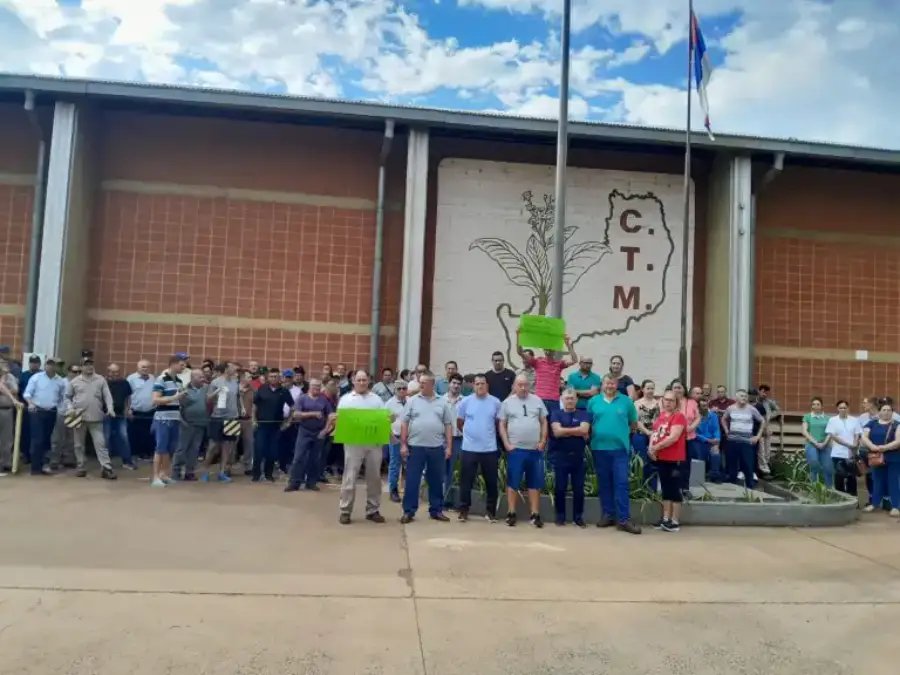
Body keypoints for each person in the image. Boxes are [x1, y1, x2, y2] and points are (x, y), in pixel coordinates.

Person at [587, 375, 641, 534]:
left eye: (612, 383)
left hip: (619, 450)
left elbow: (633, 423)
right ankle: (608, 515)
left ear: (617, 385)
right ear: (602, 385)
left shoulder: (626, 401)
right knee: (604, 483)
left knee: (621, 483)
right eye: (606, 383)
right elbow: (588, 423)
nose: (609, 385)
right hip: (599, 448)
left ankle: (623, 519)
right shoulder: (593, 401)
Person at [400, 372, 454, 523]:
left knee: (436, 480)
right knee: (412, 480)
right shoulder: (412, 401)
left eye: (424, 383)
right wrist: (403, 444)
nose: (420, 385)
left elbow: (448, 425)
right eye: (420, 382)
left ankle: (436, 510)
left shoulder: (442, 402)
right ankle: (409, 511)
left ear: (432, 384)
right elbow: (404, 422)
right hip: (415, 447)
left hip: (436, 447)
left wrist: (449, 447)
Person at [336, 370, 387, 525]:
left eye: (364, 380)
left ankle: (373, 510)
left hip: (373, 443)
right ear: (353, 381)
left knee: (374, 477)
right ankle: (345, 511)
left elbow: (382, 420)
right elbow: (340, 421)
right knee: (350, 476)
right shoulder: (346, 400)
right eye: (359, 380)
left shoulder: (377, 400)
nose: (362, 382)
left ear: (369, 381)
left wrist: (388, 419)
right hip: (353, 443)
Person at [499, 374, 548, 527]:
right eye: (519, 385)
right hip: (516, 450)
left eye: (525, 385)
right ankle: (511, 513)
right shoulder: (507, 402)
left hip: (534, 449)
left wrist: (542, 441)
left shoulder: (537, 400)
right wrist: (507, 444)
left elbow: (544, 421)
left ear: (529, 385)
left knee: (535, 483)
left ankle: (535, 514)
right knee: (513, 481)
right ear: (514, 386)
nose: (523, 388)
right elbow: (502, 424)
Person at [456, 374, 502, 522]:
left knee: (491, 482)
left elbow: (497, 423)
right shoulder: (465, 402)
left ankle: (490, 512)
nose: (480, 386)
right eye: (477, 384)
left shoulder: (495, 402)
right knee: (466, 481)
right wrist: (471, 435)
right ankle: (463, 510)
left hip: (489, 449)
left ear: (487, 385)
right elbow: (460, 422)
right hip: (469, 448)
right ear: (473, 385)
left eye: (482, 383)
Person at [64, 358, 117, 479]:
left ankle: (106, 468)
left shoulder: (100, 379)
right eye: (86, 365)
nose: (89, 367)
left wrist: (110, 408)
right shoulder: (75, 381)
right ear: (81, 367)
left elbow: (107, 395)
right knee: (78, 444)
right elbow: (67, 397)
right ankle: (81, 466)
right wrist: (70, 407)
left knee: (100, 443)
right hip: (78, 417)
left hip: (96, 417)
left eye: (91, 364)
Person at [285, 378, 335, 492]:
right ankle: (294, 483)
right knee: (298, 458)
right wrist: (312, 414)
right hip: (304, 431)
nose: (316, 388)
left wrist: (325, 430)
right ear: (309, 387)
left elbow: (331, 416)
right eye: (314, 386)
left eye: (318, 386)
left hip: (319, 433)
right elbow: (296, 414)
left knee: (315, 458)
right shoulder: (302, 398)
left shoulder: (324, 400)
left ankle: (311, 483)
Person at [549, 389, 590, 527]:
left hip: (578, 458)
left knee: (578, 489)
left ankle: (578, 517)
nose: (570, 400)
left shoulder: (583, 413)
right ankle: (560, 517)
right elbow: (556, 432)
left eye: (572, 398)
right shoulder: (556, 413)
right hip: (560, 457)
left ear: (576, 400)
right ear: (562, 399)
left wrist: (565, 430)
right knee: (560, 488)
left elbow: (584, 430)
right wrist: (576, 431)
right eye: (567, 398)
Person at [649, 390, 687, 532]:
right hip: (662, 458)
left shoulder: (679, 417)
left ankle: (675, 521)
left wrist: (655, 448)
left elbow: (673, 437)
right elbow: (654, 435)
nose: (668, 402)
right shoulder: (660, 418)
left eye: (671, 400)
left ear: (676, 402)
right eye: (666, 400)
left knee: (675, 489)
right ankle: (665, 519)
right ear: (662, 401)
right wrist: (650, 449)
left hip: (675, 459)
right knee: (665, 489)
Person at [516, 331, 577, 415]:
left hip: (554, 400)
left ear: (554, 350)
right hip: (540, 399)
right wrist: (518, 335)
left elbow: (574, 360)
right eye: (546, 349)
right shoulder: (537, 361)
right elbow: (520, 352)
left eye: (550, 349)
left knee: (553, 425)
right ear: (544, 350)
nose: (548, 351)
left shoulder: (559, 364)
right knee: (540, 425)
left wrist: (568, 344)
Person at [23, 358, 66, 476]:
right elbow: (27, 393)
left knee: (47, 439)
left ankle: (42, 465)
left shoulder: (60, 381)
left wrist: (62, 408)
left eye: (54, 365)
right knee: (38, 439)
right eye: (49, 364)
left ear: (57, 367)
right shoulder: (36, 378)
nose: (51, 367)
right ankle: (35, 468)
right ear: (45, 365)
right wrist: (30, 403)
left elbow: (62, 397)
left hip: (51, 412)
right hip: (37, 411)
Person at [150, 355, 187, 487]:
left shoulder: (179, 381)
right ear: (173, 364)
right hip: (163, 418)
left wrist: (181, 398)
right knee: (160, 448)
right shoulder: (161, 379)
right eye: (181, 365)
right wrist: (175, 397)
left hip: (175, 417)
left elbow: (178, 400)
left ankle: (164, 474)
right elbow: (155, 399)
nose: (184, 367)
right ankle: (155, 477)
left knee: (170, 448)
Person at [252, 369, 294, 483]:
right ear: (268, 377)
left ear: (279, 378)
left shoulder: (284, 391)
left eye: (275, 376)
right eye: (271, 376)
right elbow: (255, 406)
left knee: (272, 451)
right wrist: (253, 420)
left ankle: (268, 474)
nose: (273, 378)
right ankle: (256, 475)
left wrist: (288, 422)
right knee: (259, 450)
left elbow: (293, 407)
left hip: (276, 427)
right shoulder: (262, 389)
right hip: (261, 425)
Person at [202, 362, 240, 483]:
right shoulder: (216, 382)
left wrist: (240, 410)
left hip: (232, 418)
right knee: (213, 446)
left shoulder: (235, 382)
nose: (234, 369)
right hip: (218, 417)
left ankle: (222, 472)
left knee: (227, 447)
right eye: (232, 367)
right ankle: (205, 472)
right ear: (226, 369)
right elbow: (208, 399)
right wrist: (216, 391)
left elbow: (237, 398)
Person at [861, 398, 900, 515]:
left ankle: (895, 506)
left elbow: (899, 440)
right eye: (884, 410)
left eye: (889, 410)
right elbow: (864, 437)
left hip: (893, 457)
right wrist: (872, 446)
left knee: (893, 481)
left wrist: (885, 447)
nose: (887, 412)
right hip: (876, 457)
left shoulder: (897, 425)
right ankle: (874, 504)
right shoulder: (871, 423)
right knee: (877, 480)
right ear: (879, 412)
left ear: (892, 412)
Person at [723, 390, 765, 490]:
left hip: (747, 442)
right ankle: (732, 485)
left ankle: (750, 486)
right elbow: (723, 419)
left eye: (745, 396)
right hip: (732, 441)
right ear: (736, 397)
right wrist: (726, 430)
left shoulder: (752, 409)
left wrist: (758, 436)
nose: (744, 398)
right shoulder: (730, 408)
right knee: (732, 464)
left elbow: (762, 421)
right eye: (742, 396)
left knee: (747, 464)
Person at [172, 368, 209, 481]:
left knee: (194, 450)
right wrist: (182, 421)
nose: (203, 379)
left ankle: (189, 472)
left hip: (200, 424)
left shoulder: (205, 389)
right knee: (182, 449)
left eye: (203, 377)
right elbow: (178, 407)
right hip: (187, 424)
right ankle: (176, 472)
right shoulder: (184, 390)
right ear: (192, 378)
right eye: (200, 377)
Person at [826, 400, 861, 497]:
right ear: (837, 409)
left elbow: (857, 434)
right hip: (838, 453)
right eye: (841, 408)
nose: (843, 409)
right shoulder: (832, 420)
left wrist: (854, 446)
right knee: (839, 477)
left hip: (851, 453)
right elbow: (833, 436)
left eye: (845, 407)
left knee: (852, 477)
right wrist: (848, 445)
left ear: (848, 408)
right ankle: (840, 498)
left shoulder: (854, 420)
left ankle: (853, 499)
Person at [104, 363, 135, 470]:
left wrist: (128, 409)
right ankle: (106, 462)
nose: (115, 374)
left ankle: (127, 461)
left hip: (120, 414)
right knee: (106, 438)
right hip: (106, 414)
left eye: (117, 371)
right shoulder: (103, 383)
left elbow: (128, 398)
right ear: (108, 372)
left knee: (123, 437)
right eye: (112, 372)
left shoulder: (124, 383)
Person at [671, 380, 700, 495]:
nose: (677, 390)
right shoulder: (668, 401)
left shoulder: (692, 402)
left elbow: (698, 417)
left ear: (684, 389)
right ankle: (673, 487)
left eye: (680, 387)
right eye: (675, 387)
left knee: (686, 464)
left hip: (688, 437)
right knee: (673, 464)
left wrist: (691, 427)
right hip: (673, 438)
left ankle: (685, 487)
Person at [442, 373, 465, 508]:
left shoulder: (465, 401)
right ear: (449, 384)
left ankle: (458, 501)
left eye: (458, 384)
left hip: (460, 439)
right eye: (454, 383)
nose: (456, 386)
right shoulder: (441, 400)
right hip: (444, 439)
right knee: (445, 471)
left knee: (460, 470)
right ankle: (445, 500)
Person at [127, 360, 157, 460]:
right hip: (136, 411)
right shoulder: (131, 379)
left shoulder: (153, 378)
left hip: (150, 411)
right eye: (143, 367)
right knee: (138, 434)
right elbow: (127, 395)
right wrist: (128, 409)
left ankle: (148, 453)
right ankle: (139, 454)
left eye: (147, 367)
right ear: (138, 367)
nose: (145, 369)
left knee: (149, 433)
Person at [632, 379, 659, 490]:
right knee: (641, 460)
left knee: (654, 460)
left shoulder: (659, 403)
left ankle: (653, 488)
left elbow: (660, 419)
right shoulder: (637, 403)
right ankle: (641, 487)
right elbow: (635, 420)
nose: (650, 390)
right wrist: (647, 432)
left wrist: (653, 433)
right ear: (643, 389)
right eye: (648, 388)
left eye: (652, 388)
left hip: (656, 435)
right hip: (640, 434)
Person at [385, 379, 409, 502]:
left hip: (410, 437)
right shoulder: (389, 404)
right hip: (396, 436)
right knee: (395, 464)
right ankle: (393, 490)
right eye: (399, 389)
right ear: (395, 390)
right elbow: (385, 422)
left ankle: (408, 489)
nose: (401, 391)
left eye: (404, 388)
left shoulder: (410, 402)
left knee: (409, 464)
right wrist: (391, 437)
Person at [801, 397, 833, 486]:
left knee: (828, 468)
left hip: (825, 445)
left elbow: (830, 432)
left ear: (822, 406)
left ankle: (829, 490)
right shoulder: (807, 417)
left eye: (818, 404)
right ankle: (814, 489)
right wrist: (815, 443)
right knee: (814, 465)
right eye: (813, 404)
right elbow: (804, 431)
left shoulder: (828, 418)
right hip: (811, 444)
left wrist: (824, 443)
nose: (815, 406)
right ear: (811, 406)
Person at [0, 361, 24, 474]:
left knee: (7, 438)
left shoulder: (10, 377)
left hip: (6, 410)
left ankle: (6, 463)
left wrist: (6, 391)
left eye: (3, 363)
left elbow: (15, 390)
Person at [755, 384, 781, 479]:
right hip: (758, 428)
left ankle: (765, 467)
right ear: (759, 391)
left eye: (766, 392)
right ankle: (764, 470)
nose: (764, 394)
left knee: (767, 450)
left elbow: (778, 410)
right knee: (760, 450)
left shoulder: (769, 402)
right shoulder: (754, 402)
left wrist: (770, 415)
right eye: (762, 391)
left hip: (767, 427)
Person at [695, 397, 723, 482]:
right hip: (700, 441)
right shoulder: (695, 417)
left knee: (715, 452)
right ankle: (700, 476)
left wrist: (717, 439)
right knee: (699, 455)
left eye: (706, 405)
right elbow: (695, 433)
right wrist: (707, 440)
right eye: (703, 406)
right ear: (698, 407)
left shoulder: (713, 416)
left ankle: (714, 475)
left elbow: (716, 429)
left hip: (712, 441)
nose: (705, 407)